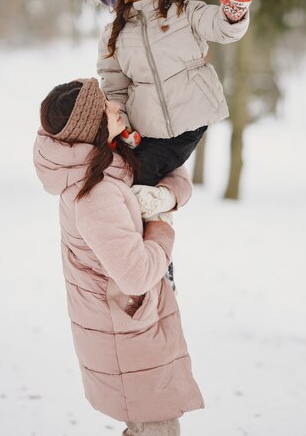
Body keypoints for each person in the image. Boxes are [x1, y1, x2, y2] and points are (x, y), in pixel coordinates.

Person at [33, 78, 204, 436]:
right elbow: (137, 276)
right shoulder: (96, 195)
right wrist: (161, 225)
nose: (117, 109)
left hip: (129, 328)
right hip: (126, 334)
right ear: (93, 127)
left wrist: (165, 197)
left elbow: (173, 173)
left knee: (149, 425)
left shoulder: (106, 158)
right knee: (156, 427)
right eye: (108, 109)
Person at [84, 0, 251, 187]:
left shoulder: (183, 9)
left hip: (192, 111)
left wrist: (232, 16)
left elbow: (217, 26)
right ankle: (154, 206)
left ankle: (147, 208)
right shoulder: (112, 36)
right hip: (147, 124)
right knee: (124, 173)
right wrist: (122, 122)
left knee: (143, 175)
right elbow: (115, 86)